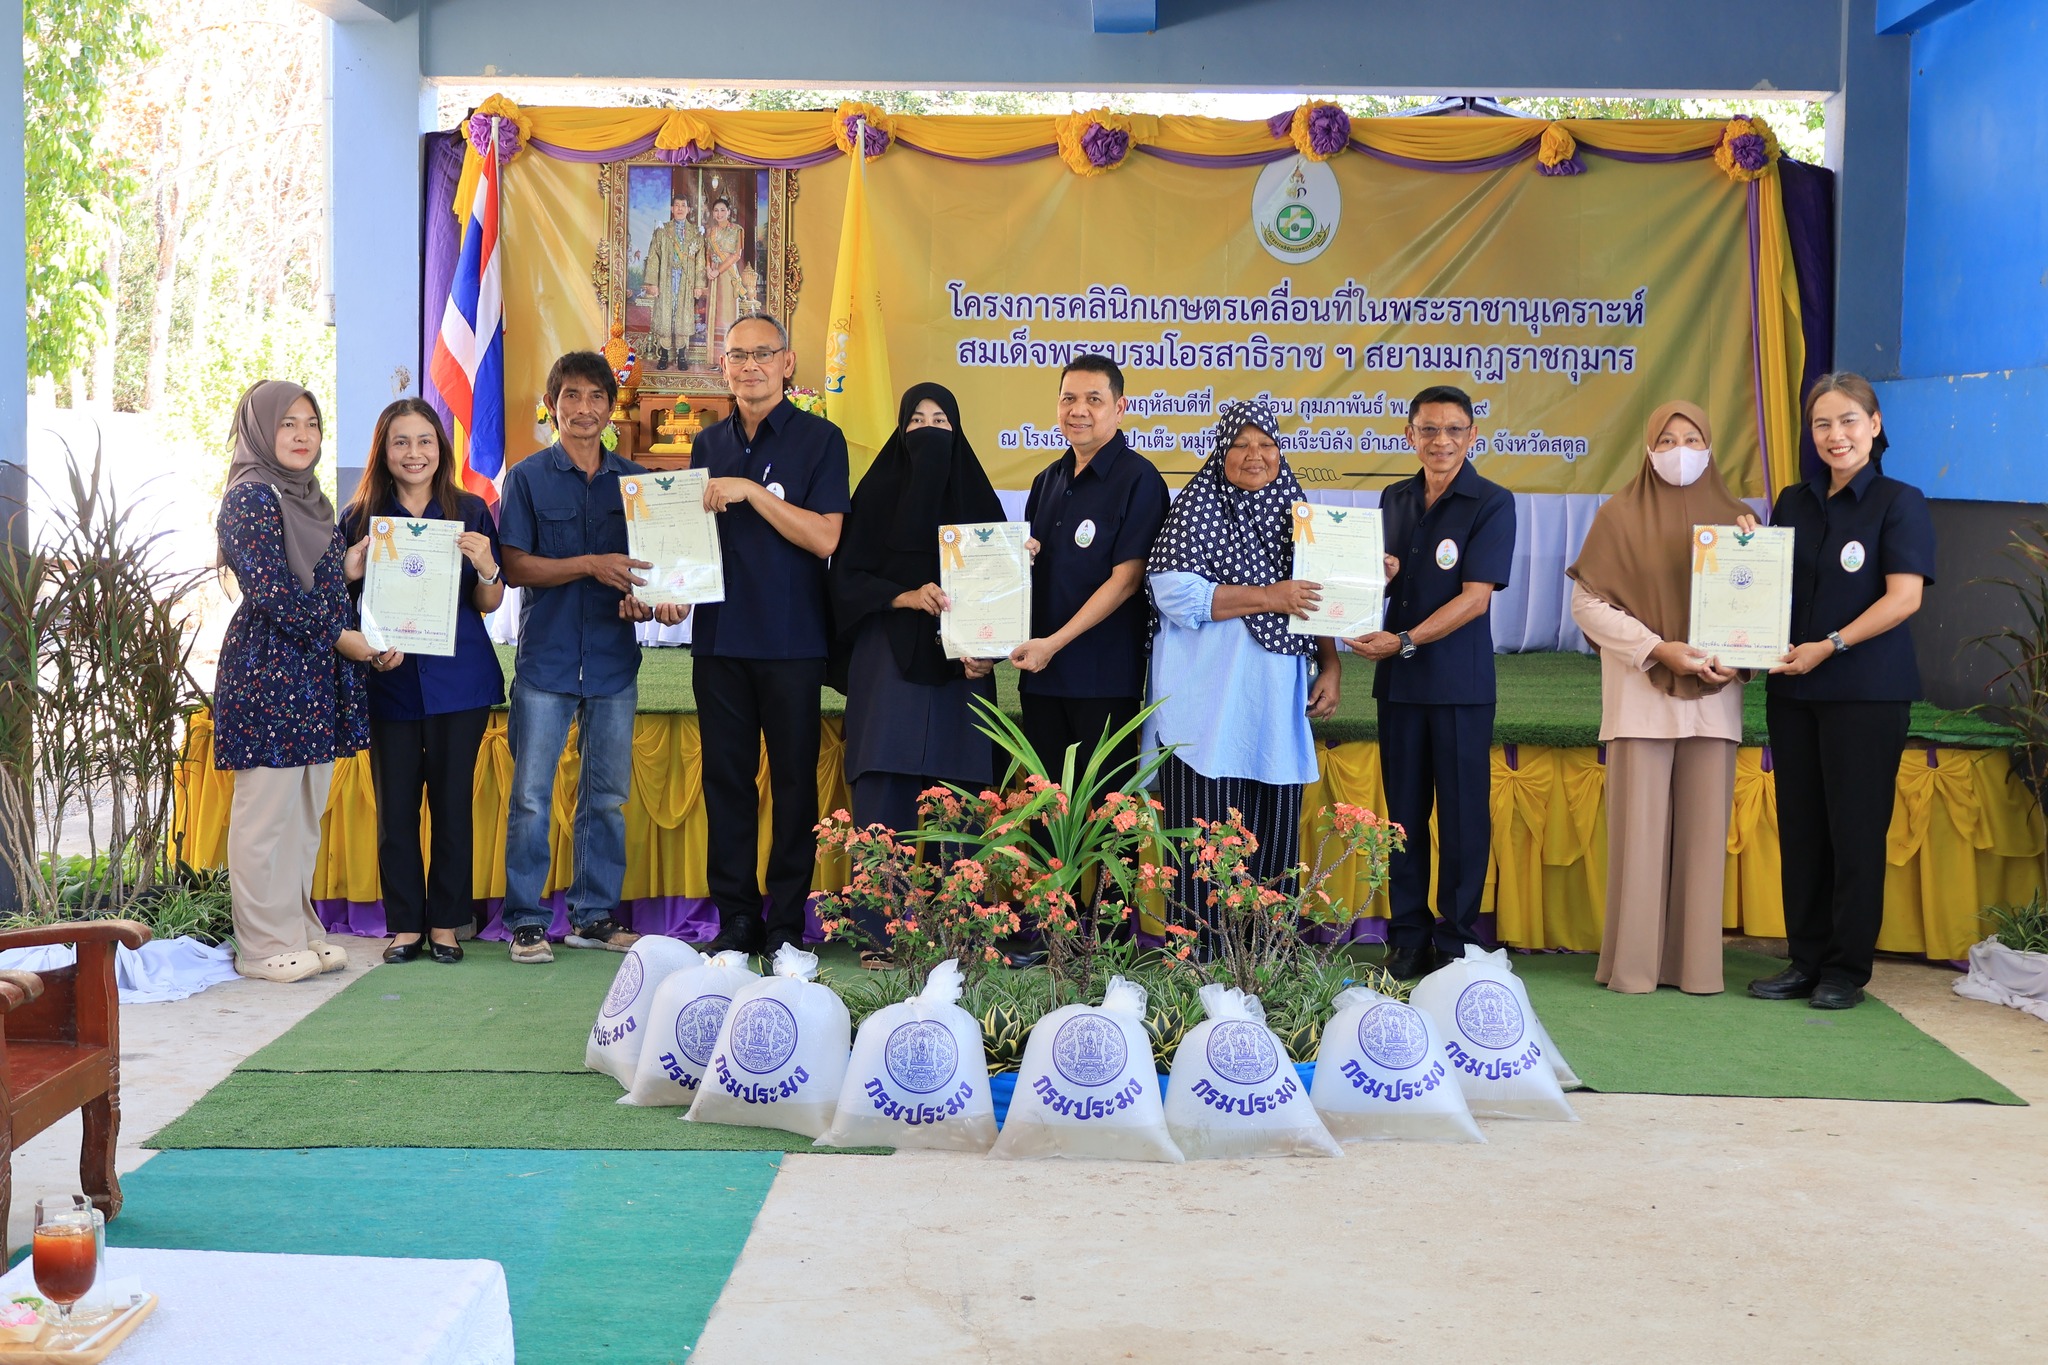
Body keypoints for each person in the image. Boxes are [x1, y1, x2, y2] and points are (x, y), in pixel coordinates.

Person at [1750, 373, 1935, 1011]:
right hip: (1794, 691)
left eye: (1850, 420)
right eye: (1823, 424)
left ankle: (1845, 970)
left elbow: (1904, 597)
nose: (1836, 435)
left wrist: (1830, 646)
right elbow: (1769, 592)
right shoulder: (1793, 502)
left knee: (1855, 830)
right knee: (1802, 828)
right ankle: (1804, 961)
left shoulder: (1899, 501)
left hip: (1865, 692)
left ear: (1875, 426)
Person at [497, 351, 687, 965]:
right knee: (530, 795)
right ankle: (526, 921)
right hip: (546, 665)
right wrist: (590, 565)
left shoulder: (638, 484)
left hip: (612, 662)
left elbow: (654, 576)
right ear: (552, 405)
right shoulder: (525, 478)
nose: (583, 409)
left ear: (611, 407)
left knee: (605, 797)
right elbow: (516, 565)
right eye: (570, 396)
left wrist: (654, 603)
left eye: (595, 397)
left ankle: (593, 916)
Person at [1145, 399, 1342, 958]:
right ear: (1221, 453)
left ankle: (1264, 966)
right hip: (1205, 703)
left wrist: (1330, 661)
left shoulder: (1297, 513)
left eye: (1266, 445)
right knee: (1203, 839)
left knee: (1273, 836)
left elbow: (1318, 592)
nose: (1255, 456)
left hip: (1274, 705)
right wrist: (1268, 596)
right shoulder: (1195, 509)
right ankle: (1197, 968)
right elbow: (1173, 593)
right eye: (1241, 445)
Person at [1568, 400, 1752, 995]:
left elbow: (1757, 611)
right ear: (1648, 449)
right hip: (1641, 695)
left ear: (1711, 445)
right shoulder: (1618, 515)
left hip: (1713, 697)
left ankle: (1696, 968)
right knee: (1639, 840)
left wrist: (1736, 653)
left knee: (1703, 842)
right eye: (1666, 440)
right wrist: (1657, 648)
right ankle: (1635, 968)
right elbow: (1588, 606)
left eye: (1691, 437)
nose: (1679, 451)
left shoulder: (1740, 520)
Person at [212, 380, 384, 983]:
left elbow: (311, 575)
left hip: (310, 675)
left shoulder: (307, 498)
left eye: (311, 423)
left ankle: (296, 925)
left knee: (303, 813)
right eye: (287, 423)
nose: (302, 435)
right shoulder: (251, 497)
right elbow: (274, 593)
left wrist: (349, 566)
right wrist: (344, 637)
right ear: (261, 429)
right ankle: (261, 945)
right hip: (269, 673)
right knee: (266, 817)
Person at [691, 314, 851, 957]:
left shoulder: (821, 440)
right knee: (725, 782)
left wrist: (753, 493)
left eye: (763, 354)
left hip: (791, 642)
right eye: (737, 356)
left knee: (792, 783)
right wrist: (670, 591)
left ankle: (786, 919)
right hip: (720, 639)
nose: (749, 366)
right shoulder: (707, 446)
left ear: (788, 363)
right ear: (723, 367)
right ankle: (736, 916)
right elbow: (692, 545)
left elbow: (825, 537)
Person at [1346, 385, 1516, 980]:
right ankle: (1409, 935)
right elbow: (1379, 582)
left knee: (1464, 818)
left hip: (1459, 686)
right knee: (1404, 818)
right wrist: (1374, 584)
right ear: (1409, 436)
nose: (1440, 441)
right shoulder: (1393, 499)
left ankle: (1456, 939)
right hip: (1398, 685)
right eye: (1428, 430)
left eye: (1452, 431)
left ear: (1473, 437)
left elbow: (1475, 600)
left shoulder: (1492, 501)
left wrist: (1407, 639)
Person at [829, 384, 1003, 960]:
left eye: (941, 421)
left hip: (965, 672)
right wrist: (903, 595)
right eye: (917, 422)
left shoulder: (980, 504)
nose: (929, 433)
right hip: (887, 662)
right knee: (885, 788)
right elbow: (845, 583)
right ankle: (881, 933)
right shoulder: (874, 496)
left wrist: (992, 651)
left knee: (964, 793)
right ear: (900, 432)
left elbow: (1003, 598)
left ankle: (961, 932)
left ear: (958, 431)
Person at [341, 399, 506, 966]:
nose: (415, 454)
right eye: (401, 442)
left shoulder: (472, 510)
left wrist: (488, 567)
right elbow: (338, 606)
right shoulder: (360, 517)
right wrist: (349, 572)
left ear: (442, 447)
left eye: (425, 441)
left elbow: (486, 602)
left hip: (459, 679)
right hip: (389, 680)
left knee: (454, 805)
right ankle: (405, 925)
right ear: (384, 452)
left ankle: (445, 923)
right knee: (396, 810)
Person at [1010, 354, 1169, 782]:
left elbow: (1127, 581)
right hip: (1042, 677)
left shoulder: (1140, 479)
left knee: (1105, 822)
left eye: (1093, 399)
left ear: (1119, 408)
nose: (1077, 410)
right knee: (1046, 815)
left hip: (1102, 679)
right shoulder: (1048, 479)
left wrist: (1053, 644)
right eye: (1068, 399)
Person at [642, 194, 704, 371]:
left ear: (688, 209)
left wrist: (699, 285)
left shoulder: (696, 233)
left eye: (683, 205)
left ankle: (682, 356)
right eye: (676, 205)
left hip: (686, 281)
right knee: (666, 315)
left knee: (683, 315)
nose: (679, 209)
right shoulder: (662, 231)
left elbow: (700, 261)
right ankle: (663, 355)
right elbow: (654, 257)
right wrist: (653, 283)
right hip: (666, 279)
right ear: (671, 209)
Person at [702, 198, 747, 365]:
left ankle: (729, 359)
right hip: (713, 276)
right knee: (713, 315)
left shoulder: (737, 230)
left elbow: (736, 255)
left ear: (729, 211)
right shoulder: (710, 231)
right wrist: (708, 268)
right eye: (716, 210)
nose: (719, 213)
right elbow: (707, 252)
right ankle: (714, 360)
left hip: (727, 274)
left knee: (727, 315)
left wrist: (717, 270)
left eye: (722, 210)